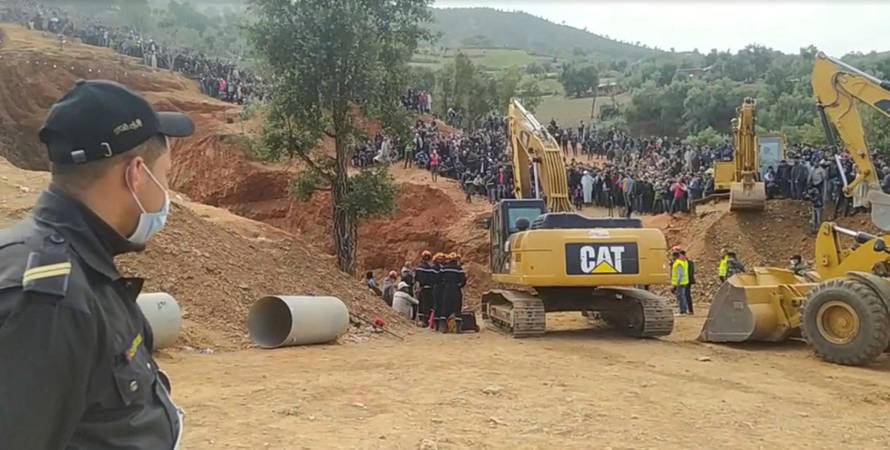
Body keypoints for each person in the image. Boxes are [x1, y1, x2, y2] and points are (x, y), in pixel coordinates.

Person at [0, 79, 195, 449]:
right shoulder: (51, 301)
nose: (165, 193)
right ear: (137, 174)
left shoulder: (85, 272)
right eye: (165, 175)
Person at [413, 250, 437, 324]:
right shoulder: (431, 268)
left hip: (422, 288)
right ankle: (428, 320)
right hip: (430, 289)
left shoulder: (419, 268)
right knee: (429, 304)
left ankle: (422, 320)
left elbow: (416, 278)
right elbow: (434, 278)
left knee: (422, 304)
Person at [670, 249, 690, 315]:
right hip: (684, 282)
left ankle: (683, 311)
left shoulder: (678, 263)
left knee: (680, 297)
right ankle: (685, 310)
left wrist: (677, 283)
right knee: (683, 296)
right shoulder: (684, 262)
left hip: (680, 283)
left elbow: (680, 274)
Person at [680, 249, 695, 315]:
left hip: (687, 281)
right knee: (686, 295)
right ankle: (689, 310)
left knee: (686, 295)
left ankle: (689, 310)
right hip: (686, 281)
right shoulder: (688, 262)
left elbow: (690, 273)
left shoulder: (687, 263)